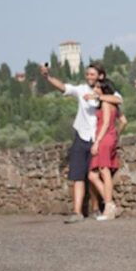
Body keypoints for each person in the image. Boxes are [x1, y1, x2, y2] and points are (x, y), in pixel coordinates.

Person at [40, 62, 122, 223]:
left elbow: (119, 100)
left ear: (101, 76)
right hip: (81, 136)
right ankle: (77, 212)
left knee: (93, 175)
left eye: (92, 74)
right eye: (87, 74)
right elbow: (63, 87)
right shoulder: (81, 90)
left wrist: (97, 96)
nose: (89, 77)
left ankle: (100, 207)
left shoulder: (106, 92)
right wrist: (48, 77)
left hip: (97, 139)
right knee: (78, 175)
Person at [87, 80, 121, 221]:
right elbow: (123, 121)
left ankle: (109, 208)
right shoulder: (112, 103)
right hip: (109, 138)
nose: (94, 88)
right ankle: (110, 204)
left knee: (103, 171)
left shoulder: (106, 104)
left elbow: (106, 124)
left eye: (97, 87)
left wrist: (97, 142)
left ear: (103, 89)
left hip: (104, 138)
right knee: (93, 175)